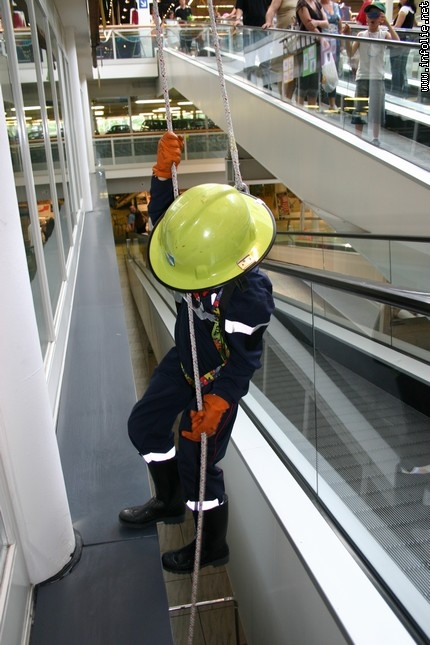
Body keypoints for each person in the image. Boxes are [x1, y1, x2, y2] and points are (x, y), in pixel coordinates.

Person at [119, 132, 276, 575]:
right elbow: (169, 224)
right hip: (184, 362)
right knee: (144, 425)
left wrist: (221, 401)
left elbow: (244, 359)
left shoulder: (248, 295)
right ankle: (169, 501)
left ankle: (212, 545)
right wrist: (161, 174)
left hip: (215, 379)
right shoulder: (194, 250)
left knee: (198, 461)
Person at [345, 2, 399, 146]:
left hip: (377, 78)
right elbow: (350, 53)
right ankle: (358, 138)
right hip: (362, 77)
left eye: (375, 14)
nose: (371, 18)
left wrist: (388, 24)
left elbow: (397, 43)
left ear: (381, 17)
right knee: (359, 109)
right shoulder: (361, 35)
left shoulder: (384, 34)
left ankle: (376, 138)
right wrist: (346, 37)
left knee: (376, 110)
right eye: (369, 15)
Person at [296, 0, 329, 106]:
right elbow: (309, 25)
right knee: (304, 81)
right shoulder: (302, 4)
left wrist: (317, 22)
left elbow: (326, 23)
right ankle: (299, 110)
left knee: (314, 82)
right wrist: (322, 38)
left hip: (317, 46)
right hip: (305, 46)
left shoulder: (317, 4)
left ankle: (311, 110)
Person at [234, 0, 272, 86]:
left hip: (263, 29)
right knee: (249, 62)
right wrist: (238, 19)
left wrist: (269, 21)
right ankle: (251, 85)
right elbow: (240, 6)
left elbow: (270, 6)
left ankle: (267, 87)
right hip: (248, 30)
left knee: (265, 62)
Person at [390, 0, 416, 96]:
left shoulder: (403, 9)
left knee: (396, 67)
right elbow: (414, 24)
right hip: (407, 41)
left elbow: (397, 27)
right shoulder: (411, 10)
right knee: (402, 67)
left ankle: (395, 91)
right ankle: (403, 90)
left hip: (399, 41)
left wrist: (388, 26)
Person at [320, 0, 343, 109]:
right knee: (324, 71)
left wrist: (342, 43)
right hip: (324, 43)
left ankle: (332, 103)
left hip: (335, 43)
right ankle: (319, 99)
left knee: (333, 71)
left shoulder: (336, 6)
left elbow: (340, 25)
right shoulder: (318, 6)